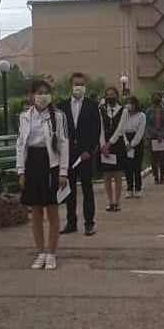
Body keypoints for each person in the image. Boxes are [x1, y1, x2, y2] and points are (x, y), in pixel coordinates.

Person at [17, 80, 69, 271]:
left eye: (46, 92)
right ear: (32, 95)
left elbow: (63, 143)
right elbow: (20, 144)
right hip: (32, 163)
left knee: (52, 211)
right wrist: (21, 171)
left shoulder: (58, 116)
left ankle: (52, 253)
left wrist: (63, 172)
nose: (43, 96)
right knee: (36, 212)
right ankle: (40, 252)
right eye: (39, 92)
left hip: (51, 164)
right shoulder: (24, 116)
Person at [58, 72, 102, 237]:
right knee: (69, 189)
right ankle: (71, 222)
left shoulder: (92, 106)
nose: (79, 87)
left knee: (87, 188)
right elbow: (59, 130)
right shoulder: (62, 106)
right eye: (76, 84)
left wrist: (89, 150)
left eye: (81, 84)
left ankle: (89, 223)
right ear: (71, 85)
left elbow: (96, 129)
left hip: (85, 154)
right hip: (68, 154)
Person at [105, 96, 147, 198]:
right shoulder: (124, 115)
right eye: (127, 103)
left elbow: (140, 132)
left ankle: (138, 188)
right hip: (125, 141)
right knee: (128, 167)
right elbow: (121, 129)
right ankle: (129, 188)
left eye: (130, 103)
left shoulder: (141, 116)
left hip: (137, 142)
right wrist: (126, 143)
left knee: (136, 167)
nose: (128, 105)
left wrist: (132, 144)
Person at [99, 86, 127, 212]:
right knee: (107, 175)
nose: (110, 97)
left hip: (117, 144)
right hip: (104, 145)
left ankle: (117, 201)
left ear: (116, 96)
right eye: (108, 94)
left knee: (117, 174)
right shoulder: (101, 110)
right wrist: (103, 145)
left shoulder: (123, 111)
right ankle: (110, 201)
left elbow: (120, 129)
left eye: (112, 94)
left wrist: (110, 143)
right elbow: (99, 128)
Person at [147, 92, 164, 184]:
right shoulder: (149, 111)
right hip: (152, 136)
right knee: (153, 158)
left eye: (158, 97)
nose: (157, 99)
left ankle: (162, 176)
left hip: (163, 137)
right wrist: (155, 133)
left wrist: (162, 134)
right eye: (155, 97)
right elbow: (148, 124)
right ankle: (155, 176)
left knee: (162, 157)